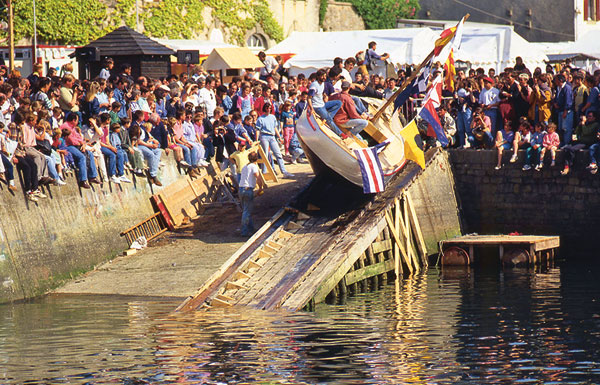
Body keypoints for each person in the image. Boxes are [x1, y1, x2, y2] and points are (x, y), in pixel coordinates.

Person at [256, 103, 293, 178]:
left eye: (270, 108)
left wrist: (279, 136)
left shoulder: (273, 117)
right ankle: (264, 172)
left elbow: (275, 128)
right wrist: (257, 139)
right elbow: (258, 130)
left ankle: (284, 171)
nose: (268, 109)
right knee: (265, 155)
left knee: (278, 154)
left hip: (272, 136)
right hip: (264, 136)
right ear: (264, 108)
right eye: (267, 108)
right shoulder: (260, 118)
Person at [561, 111, 599, 175]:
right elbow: (576, 132)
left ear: (594, 118)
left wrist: (583, 124)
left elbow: (586, 132)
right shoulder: (585, 124)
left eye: (590, 116)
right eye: (587, 116)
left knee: (572, 149)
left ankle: (571, 167)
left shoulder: (595, 125)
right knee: (566, 148)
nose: (588, 118)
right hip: (580, 141)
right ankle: (566, 166)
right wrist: (579, 125)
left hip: (587, 142)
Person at [308, 69, 343, 136]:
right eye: (322, 76)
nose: (324, 77)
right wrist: (312, 108)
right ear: (318, 76)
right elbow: (309, 98)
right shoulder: (314, 85)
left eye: (325, 76)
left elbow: (321, 92)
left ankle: (326, 117)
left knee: (338, 103)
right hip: (317, 107)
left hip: (322, 104)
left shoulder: (323, 84)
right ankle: (340, 133)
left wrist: (324, 96)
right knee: (329, 119)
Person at [239, 151, 265, 236]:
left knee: (246, 210)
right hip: (248, 189)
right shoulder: (254, 166)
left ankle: (251, 228)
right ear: (256, 159)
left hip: (241, 189)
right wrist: (260, 187)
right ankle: (244, 232)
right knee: (246, 212)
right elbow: (258, 177)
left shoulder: (244, 167)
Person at [554, 74, 574, 145]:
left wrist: (565, 111)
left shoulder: (567, 88)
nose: (555, 81)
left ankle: (567, 143)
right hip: (560, 110)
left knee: (566, 129)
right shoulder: (558, 88)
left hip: (566, 111)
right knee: (561, 128)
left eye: (556, 80)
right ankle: (562, 143)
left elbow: (568, 101)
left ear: (560, 80)